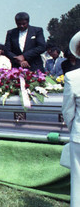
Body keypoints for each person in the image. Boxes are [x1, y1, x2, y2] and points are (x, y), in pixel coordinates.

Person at [61, 31, 80, 207]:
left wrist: (74, 128)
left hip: (79, 136)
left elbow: (67, 111)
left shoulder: (73, 77)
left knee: (79, 183)